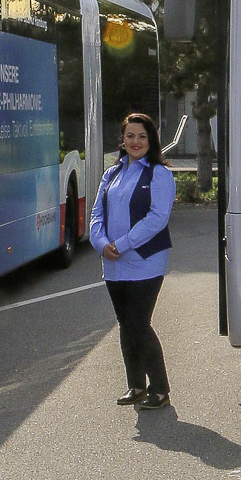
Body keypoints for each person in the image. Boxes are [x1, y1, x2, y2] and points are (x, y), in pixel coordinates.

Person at [89, 111, 175, 408]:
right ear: (122, 141)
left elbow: (157, 218)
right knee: (126, 324)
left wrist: (122, 243)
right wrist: (101, 243)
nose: (135, 141)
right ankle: (136, 385)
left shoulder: (160, 174)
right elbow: (96, 214)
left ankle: (160, 389)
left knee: (138, 324)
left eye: (142, 136)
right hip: (113, 262)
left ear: (150, 140)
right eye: (130, 136)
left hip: (145, 260)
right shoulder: (111, 174)